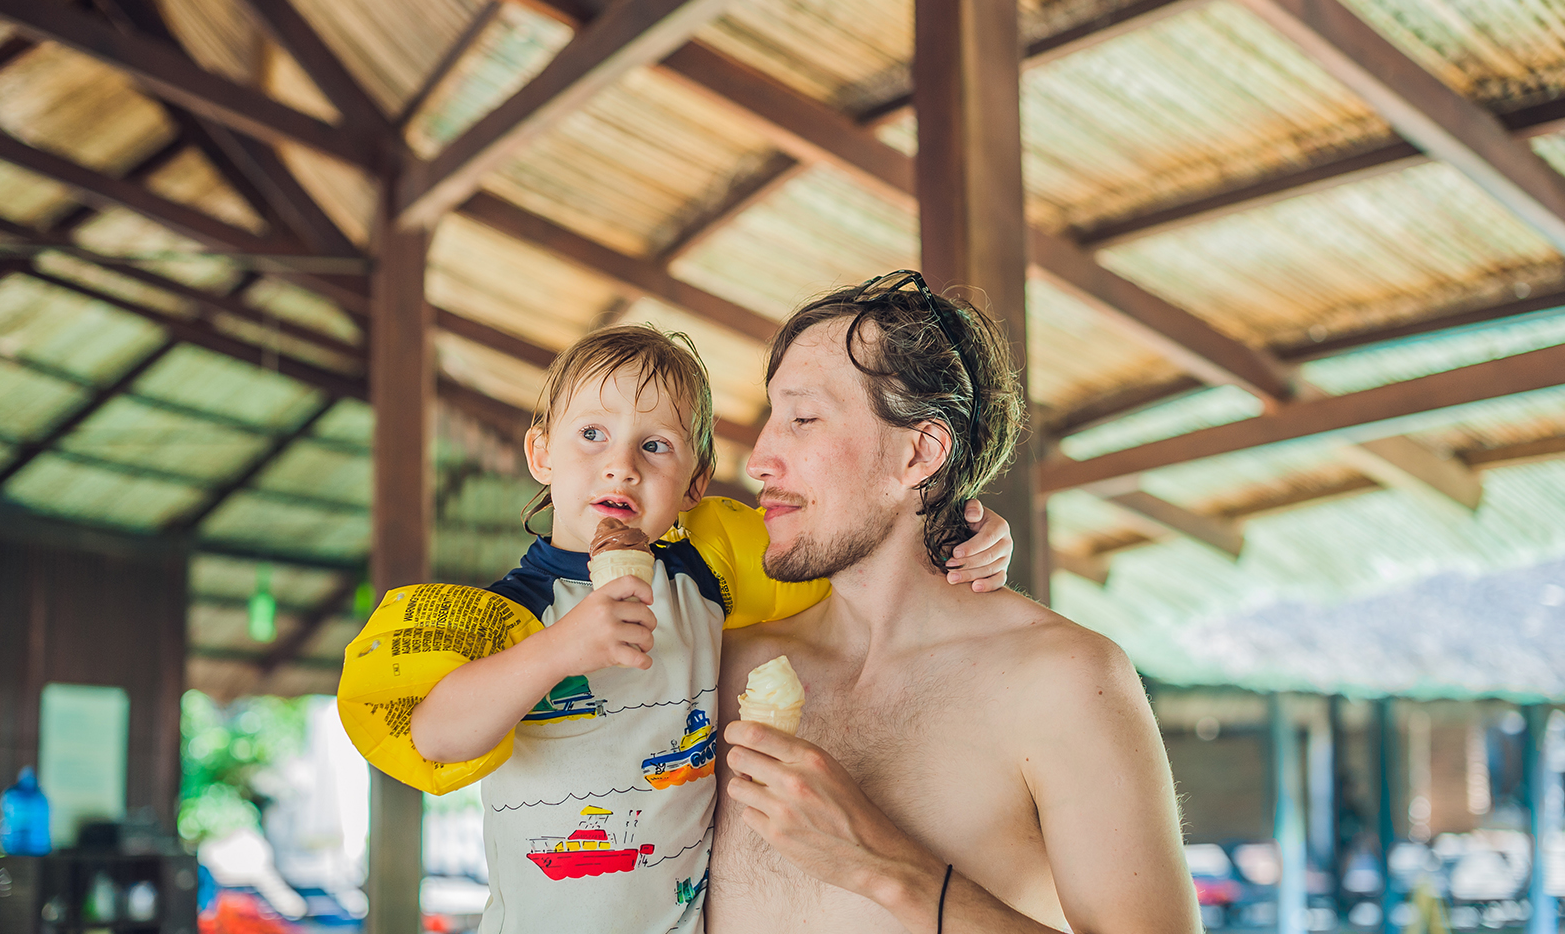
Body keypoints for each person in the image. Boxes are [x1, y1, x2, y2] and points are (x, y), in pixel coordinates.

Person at [392, 324, 1017, 934]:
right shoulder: (512, 612)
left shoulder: (708, 575)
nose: (621, 466)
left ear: (695, 481)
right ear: (541, 454)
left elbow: (855, 561)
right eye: (591, 434)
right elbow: (436, 737)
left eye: (655, 446)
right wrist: (559, 649)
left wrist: (960, 536)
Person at [711, 273, 1200, 933]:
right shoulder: (720, 665)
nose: (759, 459)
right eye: (771, 418)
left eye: (802, 418)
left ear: (920, 452)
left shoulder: (1064, 680)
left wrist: (886, 868)